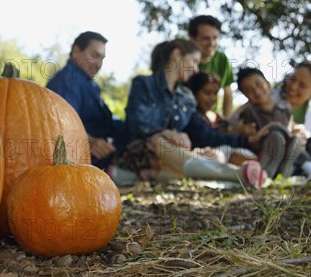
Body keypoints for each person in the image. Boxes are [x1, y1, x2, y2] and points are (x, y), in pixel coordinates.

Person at [113, 39, 269, 189]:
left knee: (201, 157)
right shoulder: (144, 84)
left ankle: (136, 176)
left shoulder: (186, 97)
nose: (195, 69)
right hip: (137, 151)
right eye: (194, 61)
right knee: (157, 141)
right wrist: (166, 133)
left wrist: (246, 140)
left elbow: (205, 134)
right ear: (177, 54)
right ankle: (236, 175)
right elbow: (136, 122)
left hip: (170, 158)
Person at [46, 31, 125, 171]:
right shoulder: (68, 81)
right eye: (95, 56)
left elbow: (107, 121)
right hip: (83, 163)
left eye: (102, 58)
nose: (99, 64)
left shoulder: (89, 84)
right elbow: (60, 126)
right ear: (76, 51)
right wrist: (88, 141)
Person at [236, 67, 303, 179]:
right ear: (245, 96)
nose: (256, 92)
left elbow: (292, 129)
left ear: (267, 83)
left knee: (294, 138)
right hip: (263, 149)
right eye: (249, 90)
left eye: (258, 84)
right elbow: (251, 140)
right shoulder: (248, 114)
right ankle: (269, 168)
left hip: (286, 143)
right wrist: (256, 137)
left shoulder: (285, 112)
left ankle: (283, 167)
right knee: (275, 135)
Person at [184, 72, 257, 165]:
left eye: (215, 93)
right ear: (193, 94)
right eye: (207, 93)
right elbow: (211, 140)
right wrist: (244, 139)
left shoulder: (217, 118)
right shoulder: (192, 117)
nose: (213, 98)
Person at [188, 15, 234, 118]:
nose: (211, 43)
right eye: (205, 38)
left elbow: (227, 95)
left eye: (215, 38)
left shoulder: (222, 59)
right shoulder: (182, 59)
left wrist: (227, 123)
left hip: (208, 118)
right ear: (192, 39)